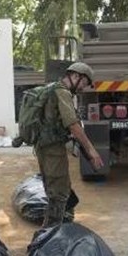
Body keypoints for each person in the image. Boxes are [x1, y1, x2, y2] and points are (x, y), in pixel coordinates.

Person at [35, 62, 104, 228]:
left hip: (43, 147)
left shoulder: (50, 88)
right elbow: (73, 125)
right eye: (83, 83)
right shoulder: (62, 92)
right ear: (75, 76)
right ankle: (48, 237)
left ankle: (54, 230)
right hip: (53, 150)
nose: (82, 88)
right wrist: (92, 151)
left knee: (55, 189)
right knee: (58, 194)